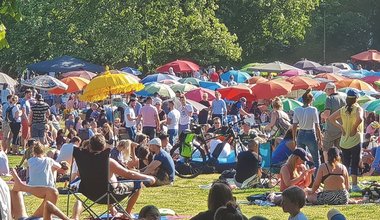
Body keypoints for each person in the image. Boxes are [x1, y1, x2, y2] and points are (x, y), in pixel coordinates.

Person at [79, 134, 155, 215]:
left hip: (89, 193)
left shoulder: (83, 160)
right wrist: (148, 177)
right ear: (104, 146)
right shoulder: (107, 161)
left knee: (107, 181)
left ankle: (113, 210)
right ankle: (127, 213)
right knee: (138, 184)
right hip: (109, 194)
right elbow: (128, 174)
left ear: (90, 146)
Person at [328, 89, 363, 192]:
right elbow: (360, 119)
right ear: (356, 99)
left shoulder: (343, 109)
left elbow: (330, 118)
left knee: (346, 163)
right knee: (355, 162)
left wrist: (341, 128)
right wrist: (354, 128)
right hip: (355, 139)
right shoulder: (358, 108)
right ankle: (355, 185)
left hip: (344, 141)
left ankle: (345, 184)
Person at [292, 89, 322, 171]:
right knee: (316, 159)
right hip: (310, 134)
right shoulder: (313, 110)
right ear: (311, 100)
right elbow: (317, 126)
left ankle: (303, 177)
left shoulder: (297, 110)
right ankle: (316, 178)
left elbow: (294, 126)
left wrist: (294, 138)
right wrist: (320, 139)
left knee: (301, 159)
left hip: (300, 133)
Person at [321, 82, 346, 162]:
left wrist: (322, 115)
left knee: (326, 149)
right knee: (339, 150)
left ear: (329, 90)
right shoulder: (344, 97)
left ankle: (327, 167)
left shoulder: (329, 98)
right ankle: (339, 167)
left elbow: (327, 114)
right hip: (342, 128)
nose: (326, 92)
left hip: (331, 129)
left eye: (326, 90)